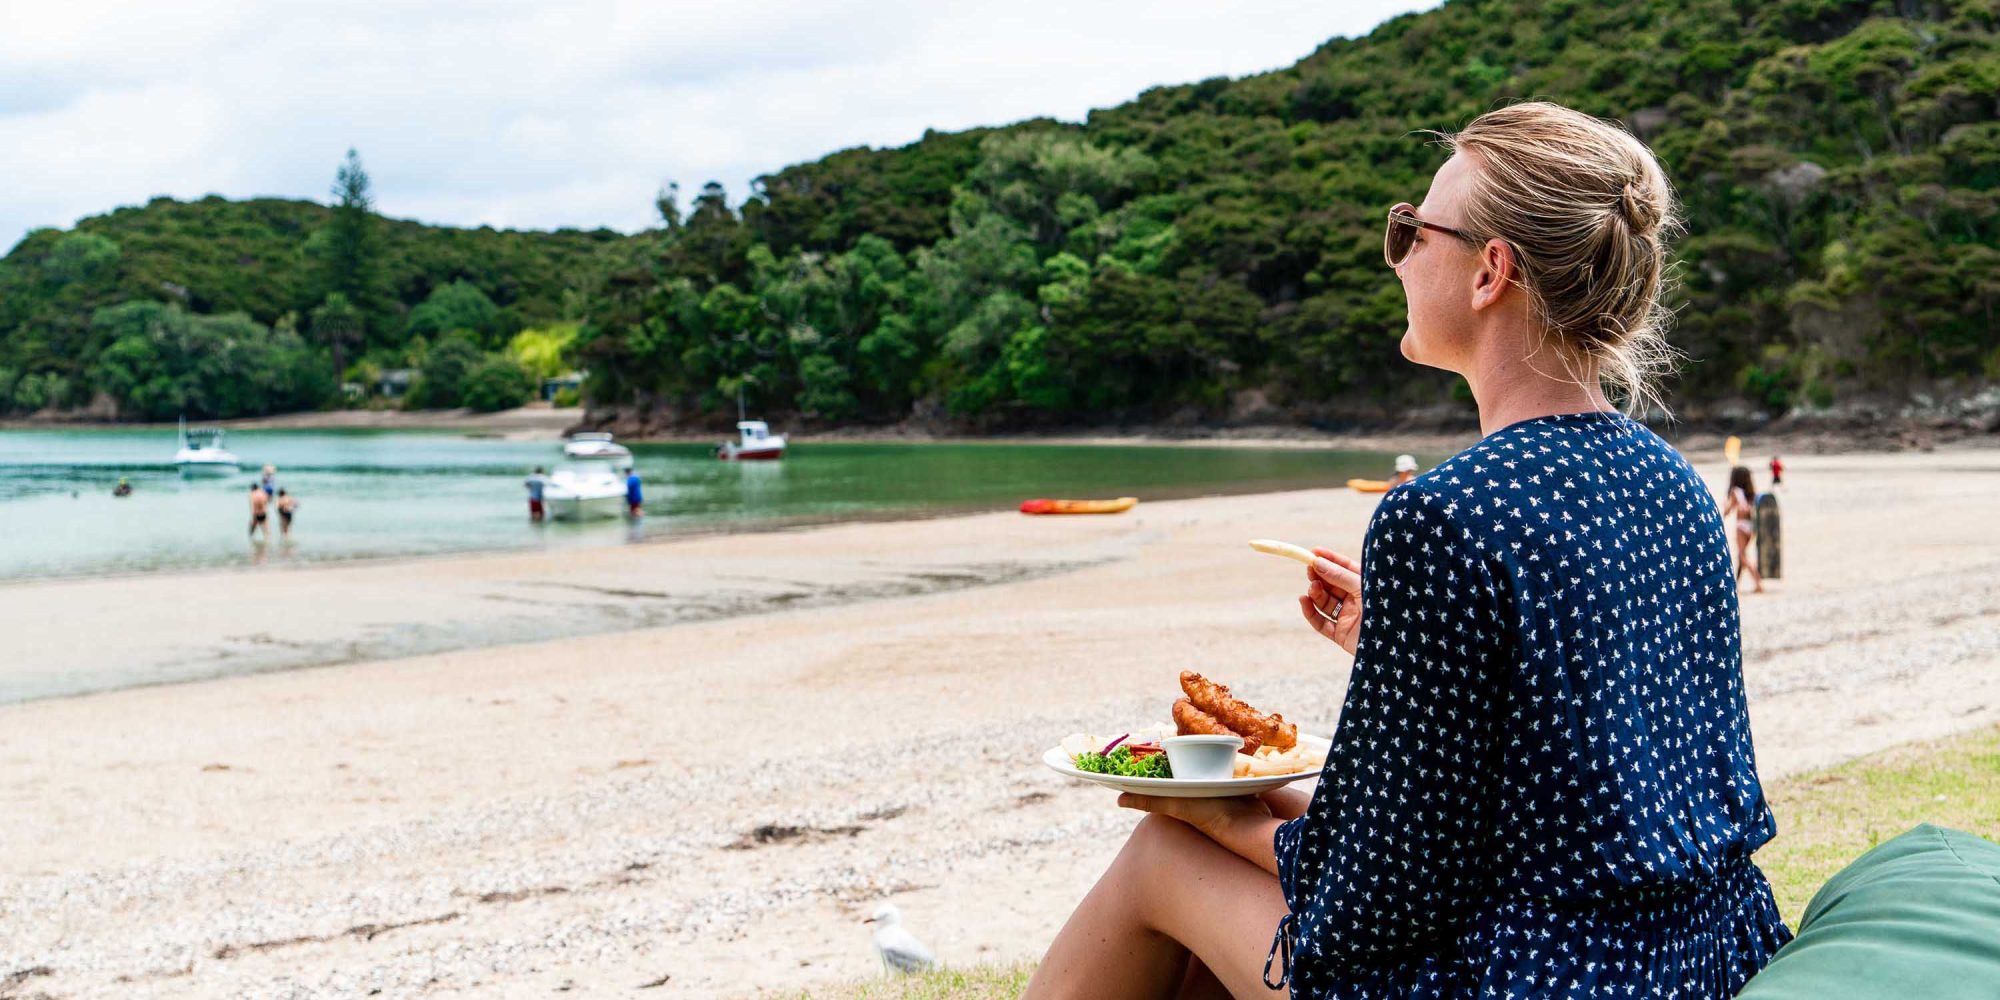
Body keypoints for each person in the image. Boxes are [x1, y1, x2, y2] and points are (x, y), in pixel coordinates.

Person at [1026, 102, 1791, 1000]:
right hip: (1695, 955)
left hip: (1534, 977)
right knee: (1233, 850)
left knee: (1164, 858)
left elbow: (1376, 906)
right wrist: (1400, 654)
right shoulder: (1673, 483)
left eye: (1411, 231)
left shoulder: (1442, 514)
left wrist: (1215, 823)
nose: (1397, 254)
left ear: (1490, 271)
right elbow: (1585, 770)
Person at [1722, 465, 1764, 594]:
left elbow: (1727, 511)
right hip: (1751, 526)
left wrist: (1725, 506)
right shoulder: (1751, 492)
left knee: (1742, 556)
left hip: (1741, 526)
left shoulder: (1735, 491)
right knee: (1742, 556)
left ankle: (1758, 582)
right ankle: (1736, 585)